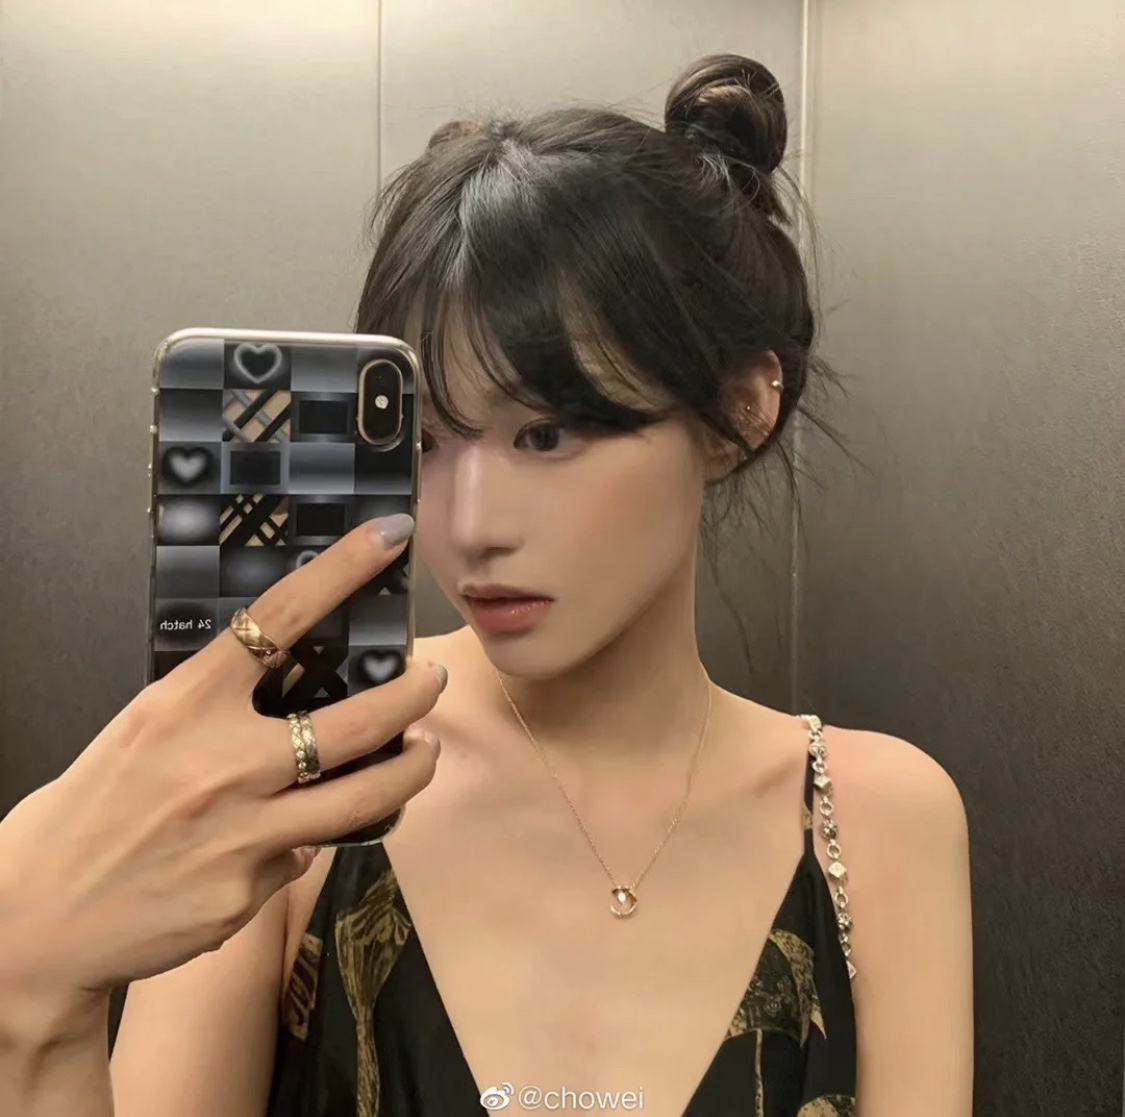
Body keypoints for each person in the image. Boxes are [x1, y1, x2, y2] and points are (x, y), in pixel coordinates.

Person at [0, 53, 973, 1117]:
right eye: (423, 442)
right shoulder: (303, 775)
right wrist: (32, 989)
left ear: (740, 409)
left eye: (544, 434)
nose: (468, 526)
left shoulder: (875, 821)